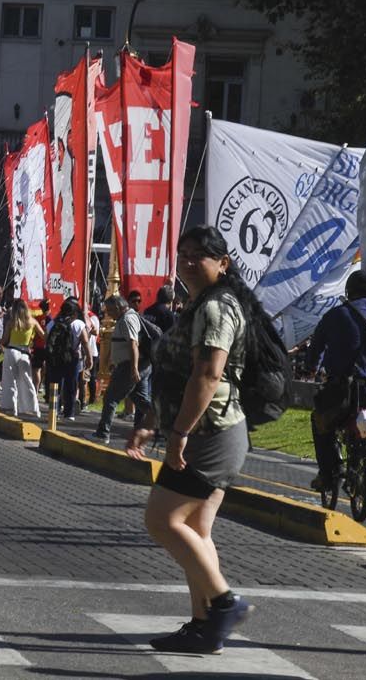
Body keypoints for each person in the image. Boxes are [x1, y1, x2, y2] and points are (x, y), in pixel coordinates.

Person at [125, 226, 256, 655]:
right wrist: (154, 421)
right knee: (196, 530)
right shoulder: (201, 304)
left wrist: (178, 433)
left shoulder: (218, 307)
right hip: (212, 431)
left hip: (211, 433)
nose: (187, 262)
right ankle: (204, 627)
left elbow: (207, 374)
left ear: (223, 263)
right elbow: (179, 374)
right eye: (182, 254)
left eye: (198, 255)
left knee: (162, 520)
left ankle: (224, 603)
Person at [305, 270, 366, 493]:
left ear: (349, 291)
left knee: (319, 421)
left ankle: (329, 474)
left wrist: (310, 367)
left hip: (344, 395)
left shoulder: (335, 315)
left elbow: (315, 349)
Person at [93, 295, 152, 444]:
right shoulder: (125, 318)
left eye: (110, 310)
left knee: (111, 398)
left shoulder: (127, 319)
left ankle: (102, 433)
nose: (109, 314)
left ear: (118, 308)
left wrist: (133, 369)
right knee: (142, 400)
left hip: (130, 366)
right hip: (132, 365)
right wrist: (115, 360)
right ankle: (167, 426)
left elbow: (133, 344)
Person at [0, 299, 43, 417]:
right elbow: (43, 335)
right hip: (24, 353)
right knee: (27, 380)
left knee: (9, 381)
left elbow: (4, 340)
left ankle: (9, 407)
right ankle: (31, 409)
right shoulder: (32, 322)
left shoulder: (11, 322)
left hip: (12, 350)